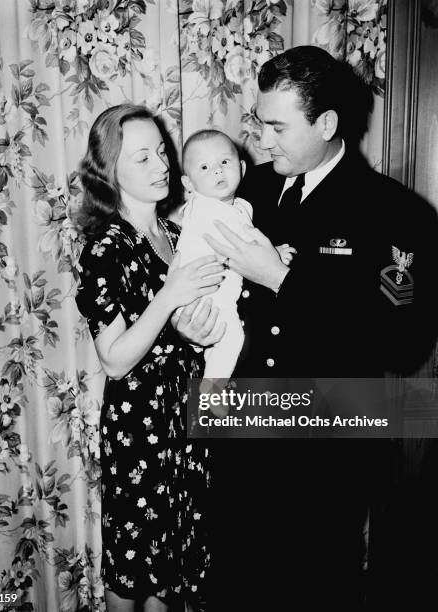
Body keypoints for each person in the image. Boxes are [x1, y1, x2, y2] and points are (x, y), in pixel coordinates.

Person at [173, 46, 438, 610]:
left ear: (326, 124)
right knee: (232, 583)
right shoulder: (246, 195)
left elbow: (406, 342)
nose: (261, 142)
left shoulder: (396, 213)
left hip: (326, 443)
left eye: (276, 127)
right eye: (259, 123)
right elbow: (220, 295)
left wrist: (282, 280)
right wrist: (197, 328)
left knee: (314, 586)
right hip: (239, 427)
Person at [74, 104, 226, 612]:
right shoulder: (105, 247)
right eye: (142, 158)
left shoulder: (179, 234)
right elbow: (114, 360)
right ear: (109, 171)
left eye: (161, 152)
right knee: (132, 574)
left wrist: (199, 334)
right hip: (139, 429)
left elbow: (191, 332)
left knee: (170, 576)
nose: (162, 166)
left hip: (188, 418)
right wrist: (169, 296)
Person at [176, 128, 294, 387]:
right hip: (207, 298)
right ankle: (210, 392)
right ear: (188, 184)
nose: (217, 171)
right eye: (205, 167)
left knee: (221, 347)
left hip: (217, 295)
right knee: (232, 340)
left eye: (225, 162)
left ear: (241, 167)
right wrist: (275, 254)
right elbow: (240, 244)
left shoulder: (238, 205)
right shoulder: (206, 209)